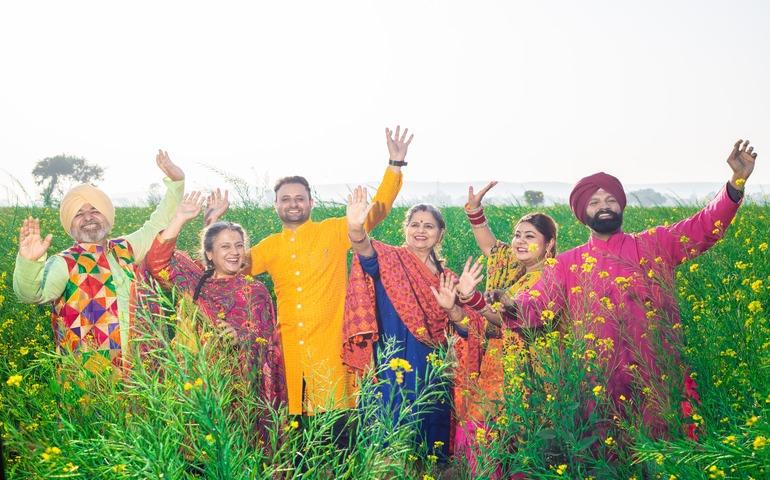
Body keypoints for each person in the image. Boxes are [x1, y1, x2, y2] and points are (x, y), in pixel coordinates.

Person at [508, 139, 758, 438]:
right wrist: (491, 302)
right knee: (609, 460)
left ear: (621, 205)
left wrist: (736, 182)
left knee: (670, 454)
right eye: (595, 202)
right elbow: (532, 308)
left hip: (661, 378)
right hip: (599, 387)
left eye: (610, 200)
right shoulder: (566, 264)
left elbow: (703, 227)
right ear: (582, 212)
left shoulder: (655, 244)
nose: (604, 207)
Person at [207, 127, 412, 418]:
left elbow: (376, 211)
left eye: (299, 198)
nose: (293, 203)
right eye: (286, 198)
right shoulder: (270, 247)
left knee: (339, 429)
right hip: (289, 353)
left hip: (330, 350)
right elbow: (224, 266)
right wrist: (213, 223)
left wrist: (394, 166)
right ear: (276, 205)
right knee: (296, 433)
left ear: (311, 202)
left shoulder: (333, 231)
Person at [342, 186, 485, 458]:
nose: (421, 230)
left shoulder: (449, 278)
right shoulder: (389, 259)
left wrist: (455, 304)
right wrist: (356, 227)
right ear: (405, 228)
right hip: (391, 357)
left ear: (440, 233)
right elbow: (363, 249)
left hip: (433, 366)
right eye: (415, 224)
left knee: (428, 440)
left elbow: (469, 329)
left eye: (429, 226)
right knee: (388, 432)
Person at [13, 151, 184, 374]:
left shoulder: (126, 248)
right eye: (78, 214)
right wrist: (29, 262)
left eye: (95, 210)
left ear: (107, 216)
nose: (88, 217)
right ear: (70, 224)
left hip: (143, 373)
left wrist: (176, 183)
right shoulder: (64, 263)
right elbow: (31, 294)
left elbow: (158, 225)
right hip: (92, 384)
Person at [143, 191, 286, 416]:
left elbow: (270, 345)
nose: (235, 252)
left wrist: (241, 338)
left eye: (239, 246)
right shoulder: (194, 283)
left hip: (241, 392)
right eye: (225, 247)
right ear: (209, 254)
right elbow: (156, 263)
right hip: (197, 385)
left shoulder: (255, 290)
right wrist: (179, 218)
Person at [453, 182, 558, 472]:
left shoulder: (550, 277)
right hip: (497, 367)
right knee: (489, 434)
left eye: (530, 236)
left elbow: (516, 318)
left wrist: (475, 300)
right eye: (517, 235)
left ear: (548, 244)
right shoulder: (517, 269)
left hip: (527, 373)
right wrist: (475, 213)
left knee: (513, 438)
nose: (519, 241)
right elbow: (491, 247)